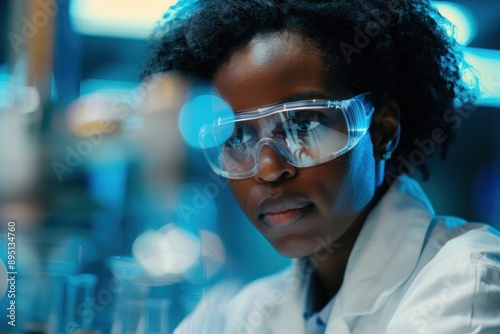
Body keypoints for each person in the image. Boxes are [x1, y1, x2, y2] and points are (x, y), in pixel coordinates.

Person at [142, 0, 500, 333]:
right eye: (236, 138)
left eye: (304, 124)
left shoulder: (467, 278)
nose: (268, 169)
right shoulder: (246, 312)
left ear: (382, 130)